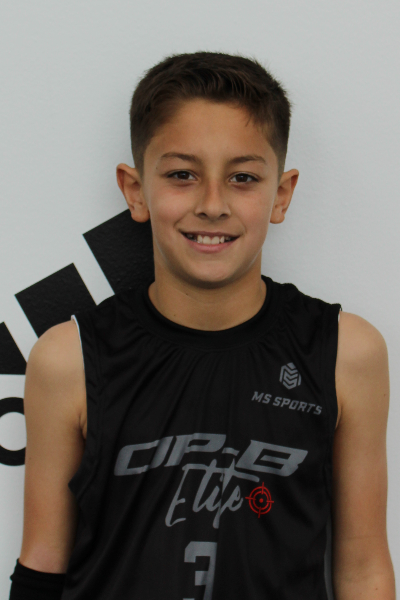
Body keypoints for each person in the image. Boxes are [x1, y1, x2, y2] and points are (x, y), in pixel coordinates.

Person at [9, 51, 395, 600]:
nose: (213, 205)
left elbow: (363, 568)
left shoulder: (345, 352)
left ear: (281, 194)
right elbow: (41, 569)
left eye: (242, 177)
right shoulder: (67, 359)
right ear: (135, 190)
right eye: (182, 175)